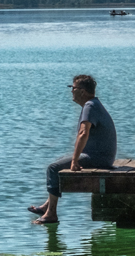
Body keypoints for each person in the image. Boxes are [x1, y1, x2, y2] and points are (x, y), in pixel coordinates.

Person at [30, 74, 117, 225]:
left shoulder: (90, 106)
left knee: (53, 168)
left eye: (73, 88)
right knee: (60, 161)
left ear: (82, 91)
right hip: (102, 156)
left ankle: (51, 214)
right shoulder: (92, 104)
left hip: (98, 158)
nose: (71, 91)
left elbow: (83, 133)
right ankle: (47, 206)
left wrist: (75, 161)